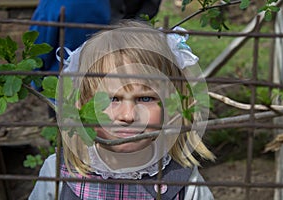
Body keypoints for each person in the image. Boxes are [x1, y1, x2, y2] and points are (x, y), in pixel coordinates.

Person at [29, 20, 215, 200]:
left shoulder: (183, 180)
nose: (128, 115)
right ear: (80, 105)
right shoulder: (58, 172)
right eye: (112, 99)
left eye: (145, 98)